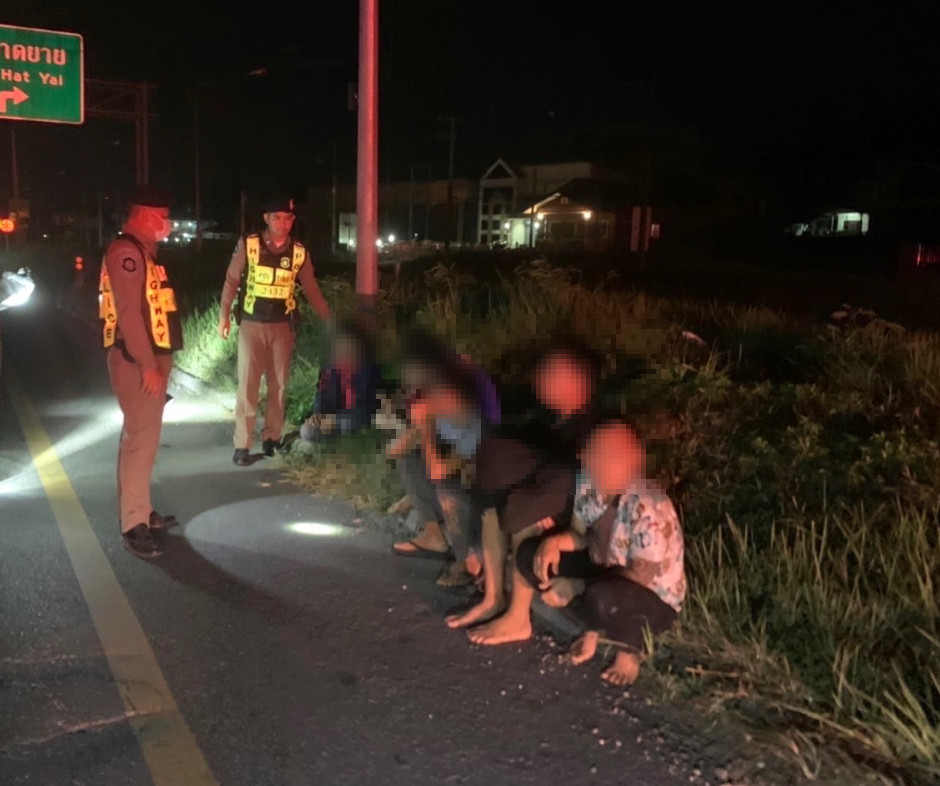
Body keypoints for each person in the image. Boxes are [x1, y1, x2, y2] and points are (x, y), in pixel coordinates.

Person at [513, 420, 685, 686]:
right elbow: (579, 535)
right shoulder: (589, 482)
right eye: (597, 453)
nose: (602, 462)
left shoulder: (648, 507)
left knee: (601, 594)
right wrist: (555, 543)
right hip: (604, 574)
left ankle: (630, 651)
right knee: (531, 556)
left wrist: (576, 586)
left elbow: (641, 576)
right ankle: (594, 627)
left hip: (650, 600)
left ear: (635, 459)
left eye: (613, 455)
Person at [446, 337, 600, 630]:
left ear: (580, 382)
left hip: (574, 526)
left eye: (553, 372)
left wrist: (537, 497)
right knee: (496, 467)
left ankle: (518, 617)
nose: (542, 378)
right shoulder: (546, 419)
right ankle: (492, 598)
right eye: (544, 370)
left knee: (525, 504)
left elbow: (578, 480)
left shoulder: (593, 430)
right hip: (540, 496)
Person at [98, 185, 182, 559]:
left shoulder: (144, 252)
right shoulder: (127, 253)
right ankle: (134, 525)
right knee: (139, 441)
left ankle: (141, 510)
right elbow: (130, 314)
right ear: (147, 216)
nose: (169, 223)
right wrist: (148, 366)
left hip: (150, 358)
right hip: (136, 361)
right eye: (164, 217)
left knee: (144, 441)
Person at [218, 195, 332, 466]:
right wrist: (224, 316)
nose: (284, 223)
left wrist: (328, 318)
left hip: (283, 326)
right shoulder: (250, 244)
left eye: (288, 218)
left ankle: (272, 438)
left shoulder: (299, 252)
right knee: (248, 385)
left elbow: (311, 287)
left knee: (278, 385)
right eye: (277, 217)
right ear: (266, 219)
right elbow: (232, 280)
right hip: (252, 324)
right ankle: (242, 445)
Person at [387, 350, 486, 588]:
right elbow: (394, 450)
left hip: (482, 507)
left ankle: (467, 560)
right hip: (456, 493)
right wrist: (418, 425)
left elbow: (441, 472)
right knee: (409, 459)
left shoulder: (473, 418)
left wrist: (424, 426)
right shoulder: (445, 411)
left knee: (446, 484)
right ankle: (434, 536)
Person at [298, 319, 380, 444]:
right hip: (330, 418)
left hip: (356, 417)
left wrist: (335, 420)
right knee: (306, 430)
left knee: (351, 422)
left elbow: (367, 407)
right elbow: (321, 395)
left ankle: (333, 436)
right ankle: (320, 439)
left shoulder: (368, 371)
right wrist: (318, 415)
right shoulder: (329, 370)